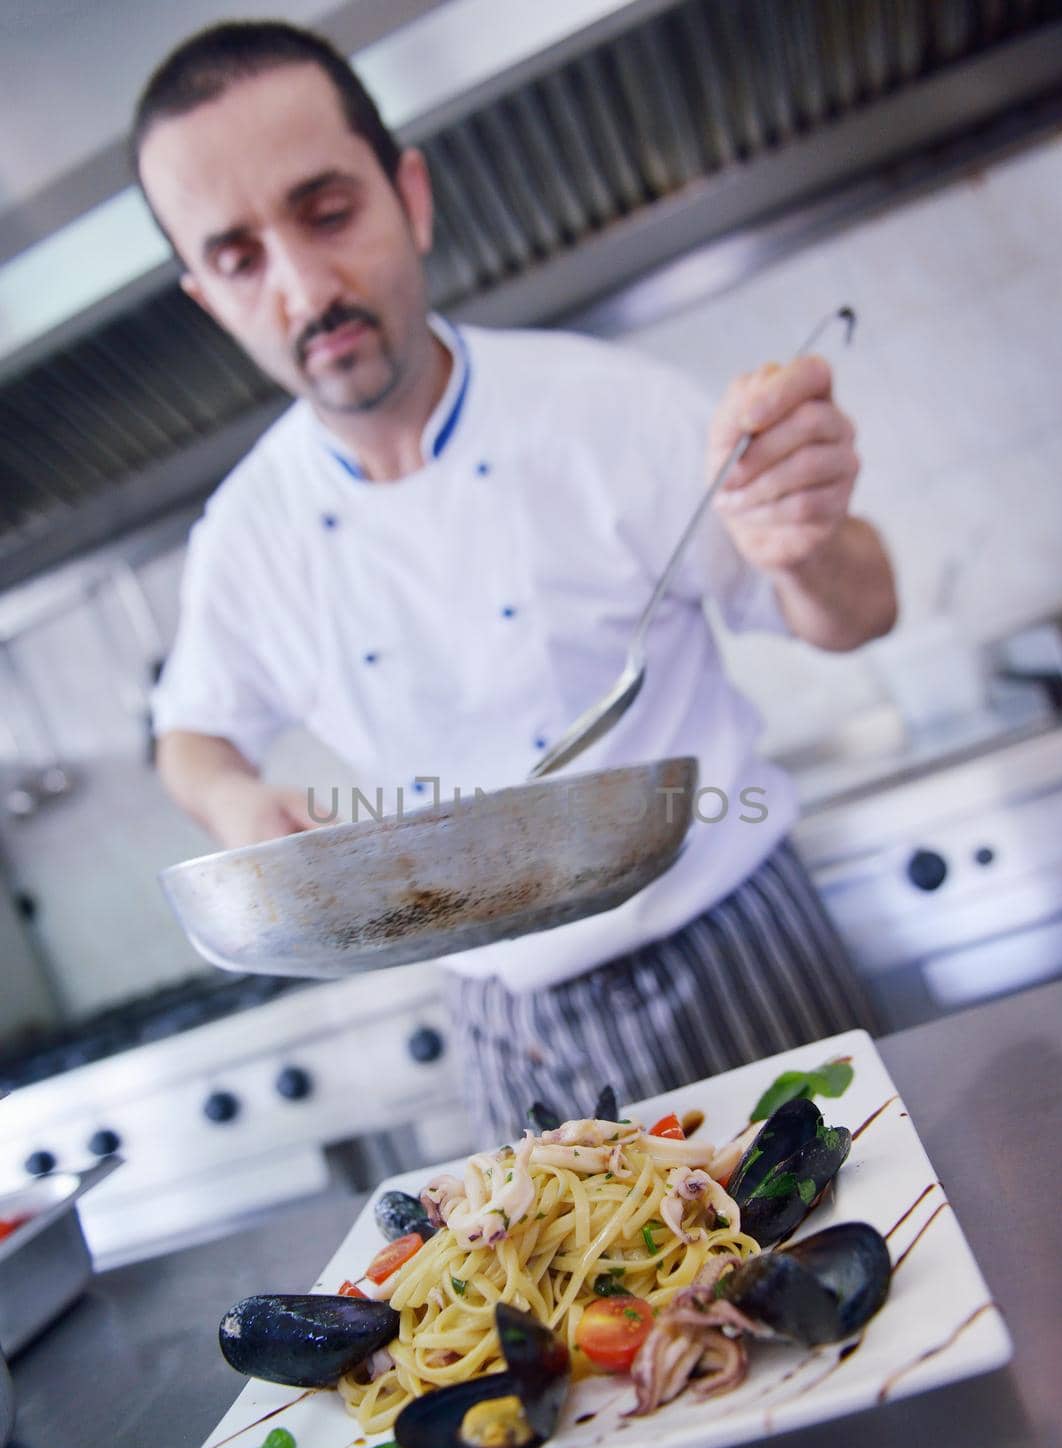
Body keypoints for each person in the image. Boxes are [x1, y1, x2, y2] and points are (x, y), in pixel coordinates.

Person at [134, 22, 896, 1145]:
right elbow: (188, 737)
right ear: (207, 293)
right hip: (505, 1017)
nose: (305, 289)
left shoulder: (609, 410)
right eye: (240, 256)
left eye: (328, 210)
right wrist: (239, 803)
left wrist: (806, 539)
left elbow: (858, 609)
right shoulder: (246, 537)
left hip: (740, 953)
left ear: (410, 197)